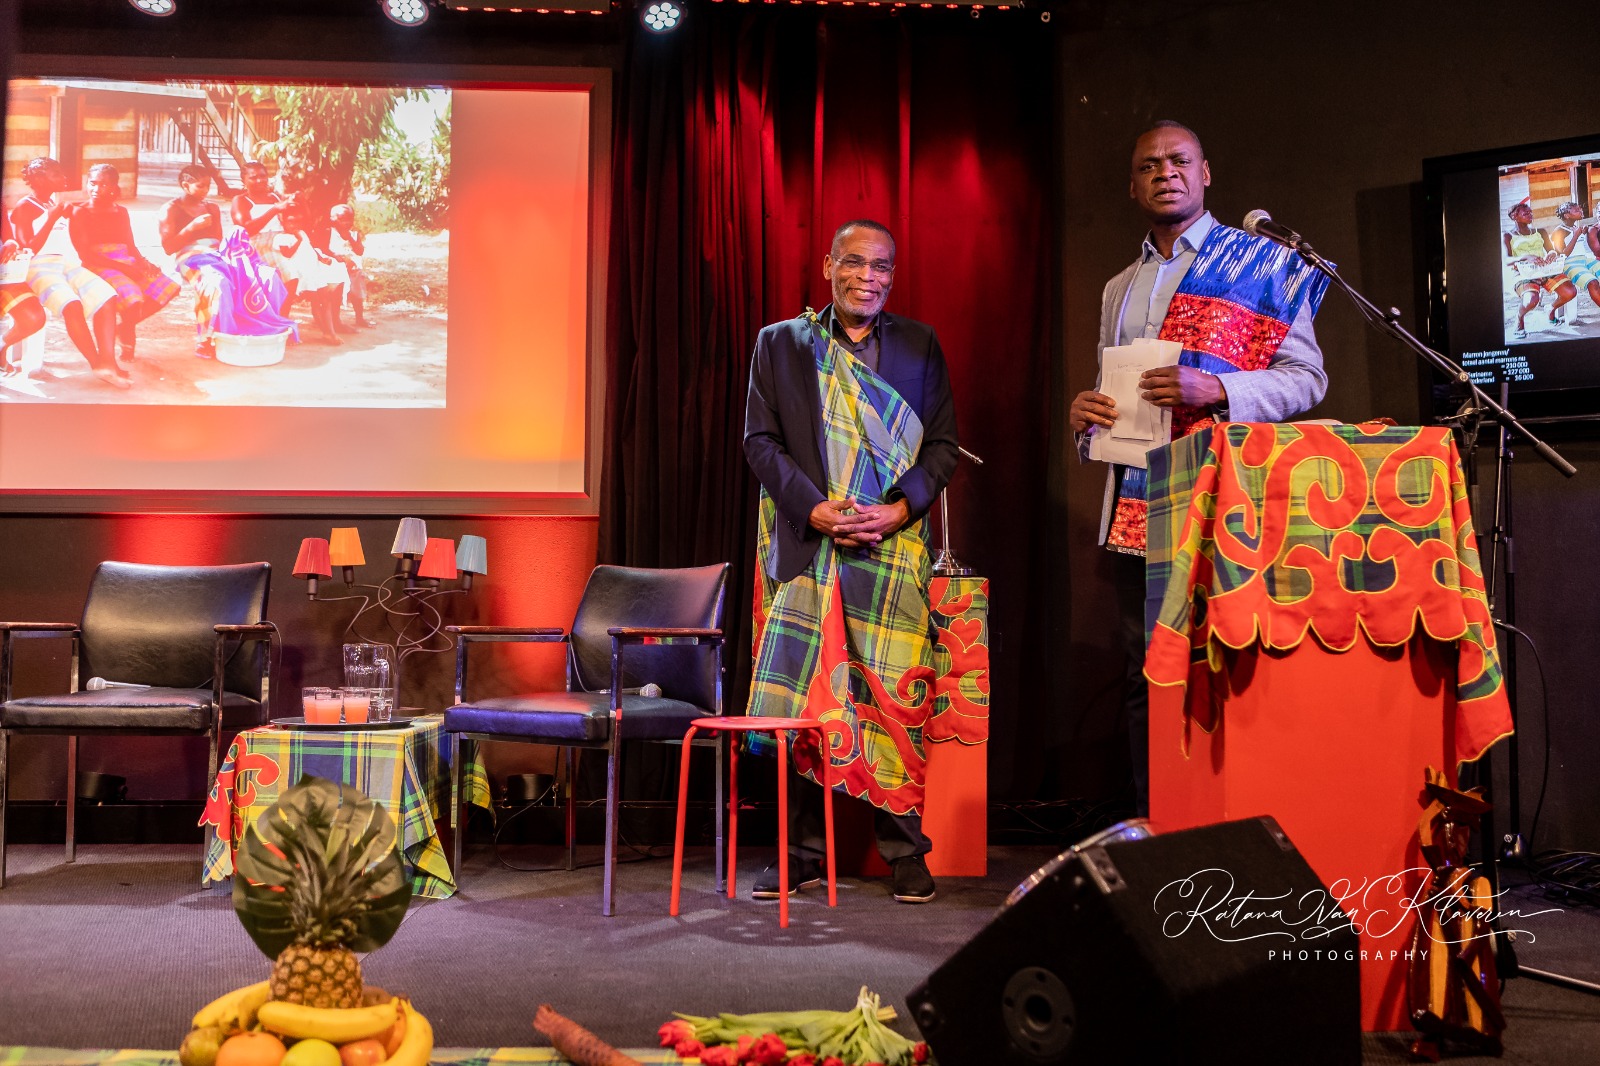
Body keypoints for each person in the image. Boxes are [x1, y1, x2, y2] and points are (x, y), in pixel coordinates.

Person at [1069, 121, 1330, 817]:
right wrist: (1088, 420)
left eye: (1179, 161)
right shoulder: (1118, 287)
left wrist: (1218, 389)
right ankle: (1160, 826)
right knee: (1146, 674)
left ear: (1205, 172)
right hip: (1138, 505)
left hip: (1226, 499)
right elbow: (1117, 392)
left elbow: (1307, 378)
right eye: (1149, 165)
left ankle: (1238, 828)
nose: (1166, 173)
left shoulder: (1263, 263)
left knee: (1231, 665)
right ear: (1133, 186)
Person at [743, 219, 959, 904]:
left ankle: (905, 852)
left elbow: (943, 448)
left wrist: (899, 509)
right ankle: (802, 852)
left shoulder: (919, 344)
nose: (868, 277)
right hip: (809, 546)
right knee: (810, 699)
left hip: (891, 550)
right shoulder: (782, 343)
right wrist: (813, 509)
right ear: (829, 265)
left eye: (882, 267)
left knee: (892, 693)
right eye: (855, 263)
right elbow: (760, 441)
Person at [7, 157, 127, 387]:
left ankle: (108, 362)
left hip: (64, 264)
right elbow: (28, 249)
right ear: (40, 179)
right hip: (37, 267)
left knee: (107, 296)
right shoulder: (26, 207)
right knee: (72, 305)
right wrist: (52, 218)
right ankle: (97, 364)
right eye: (57, 174)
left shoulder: (53, 203)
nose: (64, 177)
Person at [158, 164, 295, 358]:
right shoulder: (171, 209)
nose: (205, 191)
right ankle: (207, 338)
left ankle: (258, 326)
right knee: (217, 282)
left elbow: (218, 241)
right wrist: (191, 228)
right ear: (185, 186)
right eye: (200, 186)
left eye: (208, 186)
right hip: (190, 257)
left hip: (216, 255)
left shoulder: (211, 208)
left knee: (263, 275)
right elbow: (168, 247)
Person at [67, 163, 180, 363]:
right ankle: (127, 338)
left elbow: (130, 245)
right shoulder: (79, 212)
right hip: (98, 264)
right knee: (132, 296)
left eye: (103, 184)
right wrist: (125, 269)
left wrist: (143, 263)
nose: (96, 188)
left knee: (169, 287)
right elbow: (85, 255)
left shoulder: (121, 212)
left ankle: (124, 327)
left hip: (125, 259)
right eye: (92, 183)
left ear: (113, 187)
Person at [1502, 198, 1575, 338]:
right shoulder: (1507, 235)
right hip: (1523, 273)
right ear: (1514, 216)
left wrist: (1552, 254)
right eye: (1525, 213)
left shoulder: (1540, 231)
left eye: (1530, 212)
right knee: (1531, 300)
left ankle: (1550, 309)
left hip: (1545, 269)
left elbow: (1551, 250)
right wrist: (1525, 257)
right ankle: (1519, 319)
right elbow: (1507, 260)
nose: (1530, 215)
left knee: (1570, 292)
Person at [1, 213, 48, 378]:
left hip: (4, 275)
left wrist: (10, 242)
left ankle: (1, 345)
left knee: (33, 317)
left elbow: (7, 232)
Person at [1551, 200, 1600, 322]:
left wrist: (1581, 233)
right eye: (1576, 210)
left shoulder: (1575, 228)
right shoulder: (1558, 231)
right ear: (1567, 215)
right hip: (1570, 264)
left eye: (1580, 209)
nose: (1581, 211)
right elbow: (1562, 254)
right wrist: (1576, 236)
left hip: (1585, 260)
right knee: (1593, 283)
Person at [327, 205, 373, 329]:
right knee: (335, 296)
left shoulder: (354, 234)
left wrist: (350, 238)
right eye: (342, 219)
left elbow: (360, 251)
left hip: (353, 270)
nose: (346, 223)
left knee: (357, 295)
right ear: (333, 219)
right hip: (336, 269)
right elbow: (326, 249)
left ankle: (359, 318)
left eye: (350, 219)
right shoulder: (330, 232)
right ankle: (335, 320)